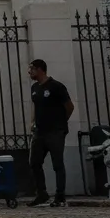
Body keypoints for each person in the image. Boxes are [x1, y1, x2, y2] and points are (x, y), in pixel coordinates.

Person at [27, 59, 74, 207]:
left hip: (55, 132)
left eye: (32, 69)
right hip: (39, 132)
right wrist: (33, 122)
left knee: (57, 164)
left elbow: (69, 106)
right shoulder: (34, 88)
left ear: (40, 69)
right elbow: (36, 106)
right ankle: (42, 194)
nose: (29, 72)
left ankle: (60, 196)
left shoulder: (56, 86)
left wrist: (60, 122)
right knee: (34, 162)